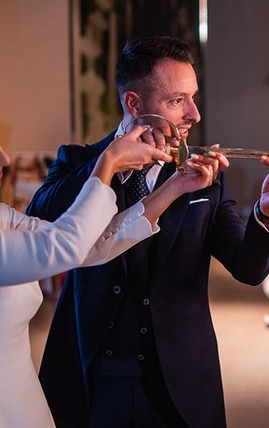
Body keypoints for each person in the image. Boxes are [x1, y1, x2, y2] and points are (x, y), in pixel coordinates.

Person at [27, 37, 269, 427]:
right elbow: (39, 221)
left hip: (179, 380)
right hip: (92, 376)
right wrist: (112, 167)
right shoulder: (79, 160)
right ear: (134, 104)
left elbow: (249, 268)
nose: (195, 113)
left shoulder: (205, 180)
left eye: (193, 97)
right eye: (177, 101)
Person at [0, 126, 217, 427]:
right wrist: (107, 164)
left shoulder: (2, 216)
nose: (5, 158)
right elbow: (62, 246)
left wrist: (175, 187)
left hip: (27, 403)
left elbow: (92, 245)